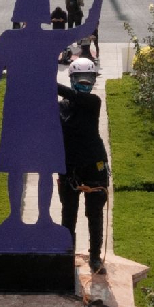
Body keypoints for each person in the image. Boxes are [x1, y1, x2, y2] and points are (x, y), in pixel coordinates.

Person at [0, 0, 108, 251]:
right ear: (44, 10)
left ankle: (25, 219)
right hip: (41, 109)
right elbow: (87, 28)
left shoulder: (9, 37)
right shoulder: (47, 38)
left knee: (23, 167)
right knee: (42, 168)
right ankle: (39, 220)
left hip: (19, 109)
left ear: (19, 9)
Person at [58, 58, 109, 273]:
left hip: (93, 165)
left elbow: (72, 95)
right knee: (69, 212)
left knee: (94, 213)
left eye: (88, 79)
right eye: (80, 79)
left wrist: (43, 79)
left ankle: (95, 256)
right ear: (71, 79)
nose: (84, 83)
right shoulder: (60, 107)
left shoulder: (93, 102)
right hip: (69, 166)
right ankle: (67, 254)